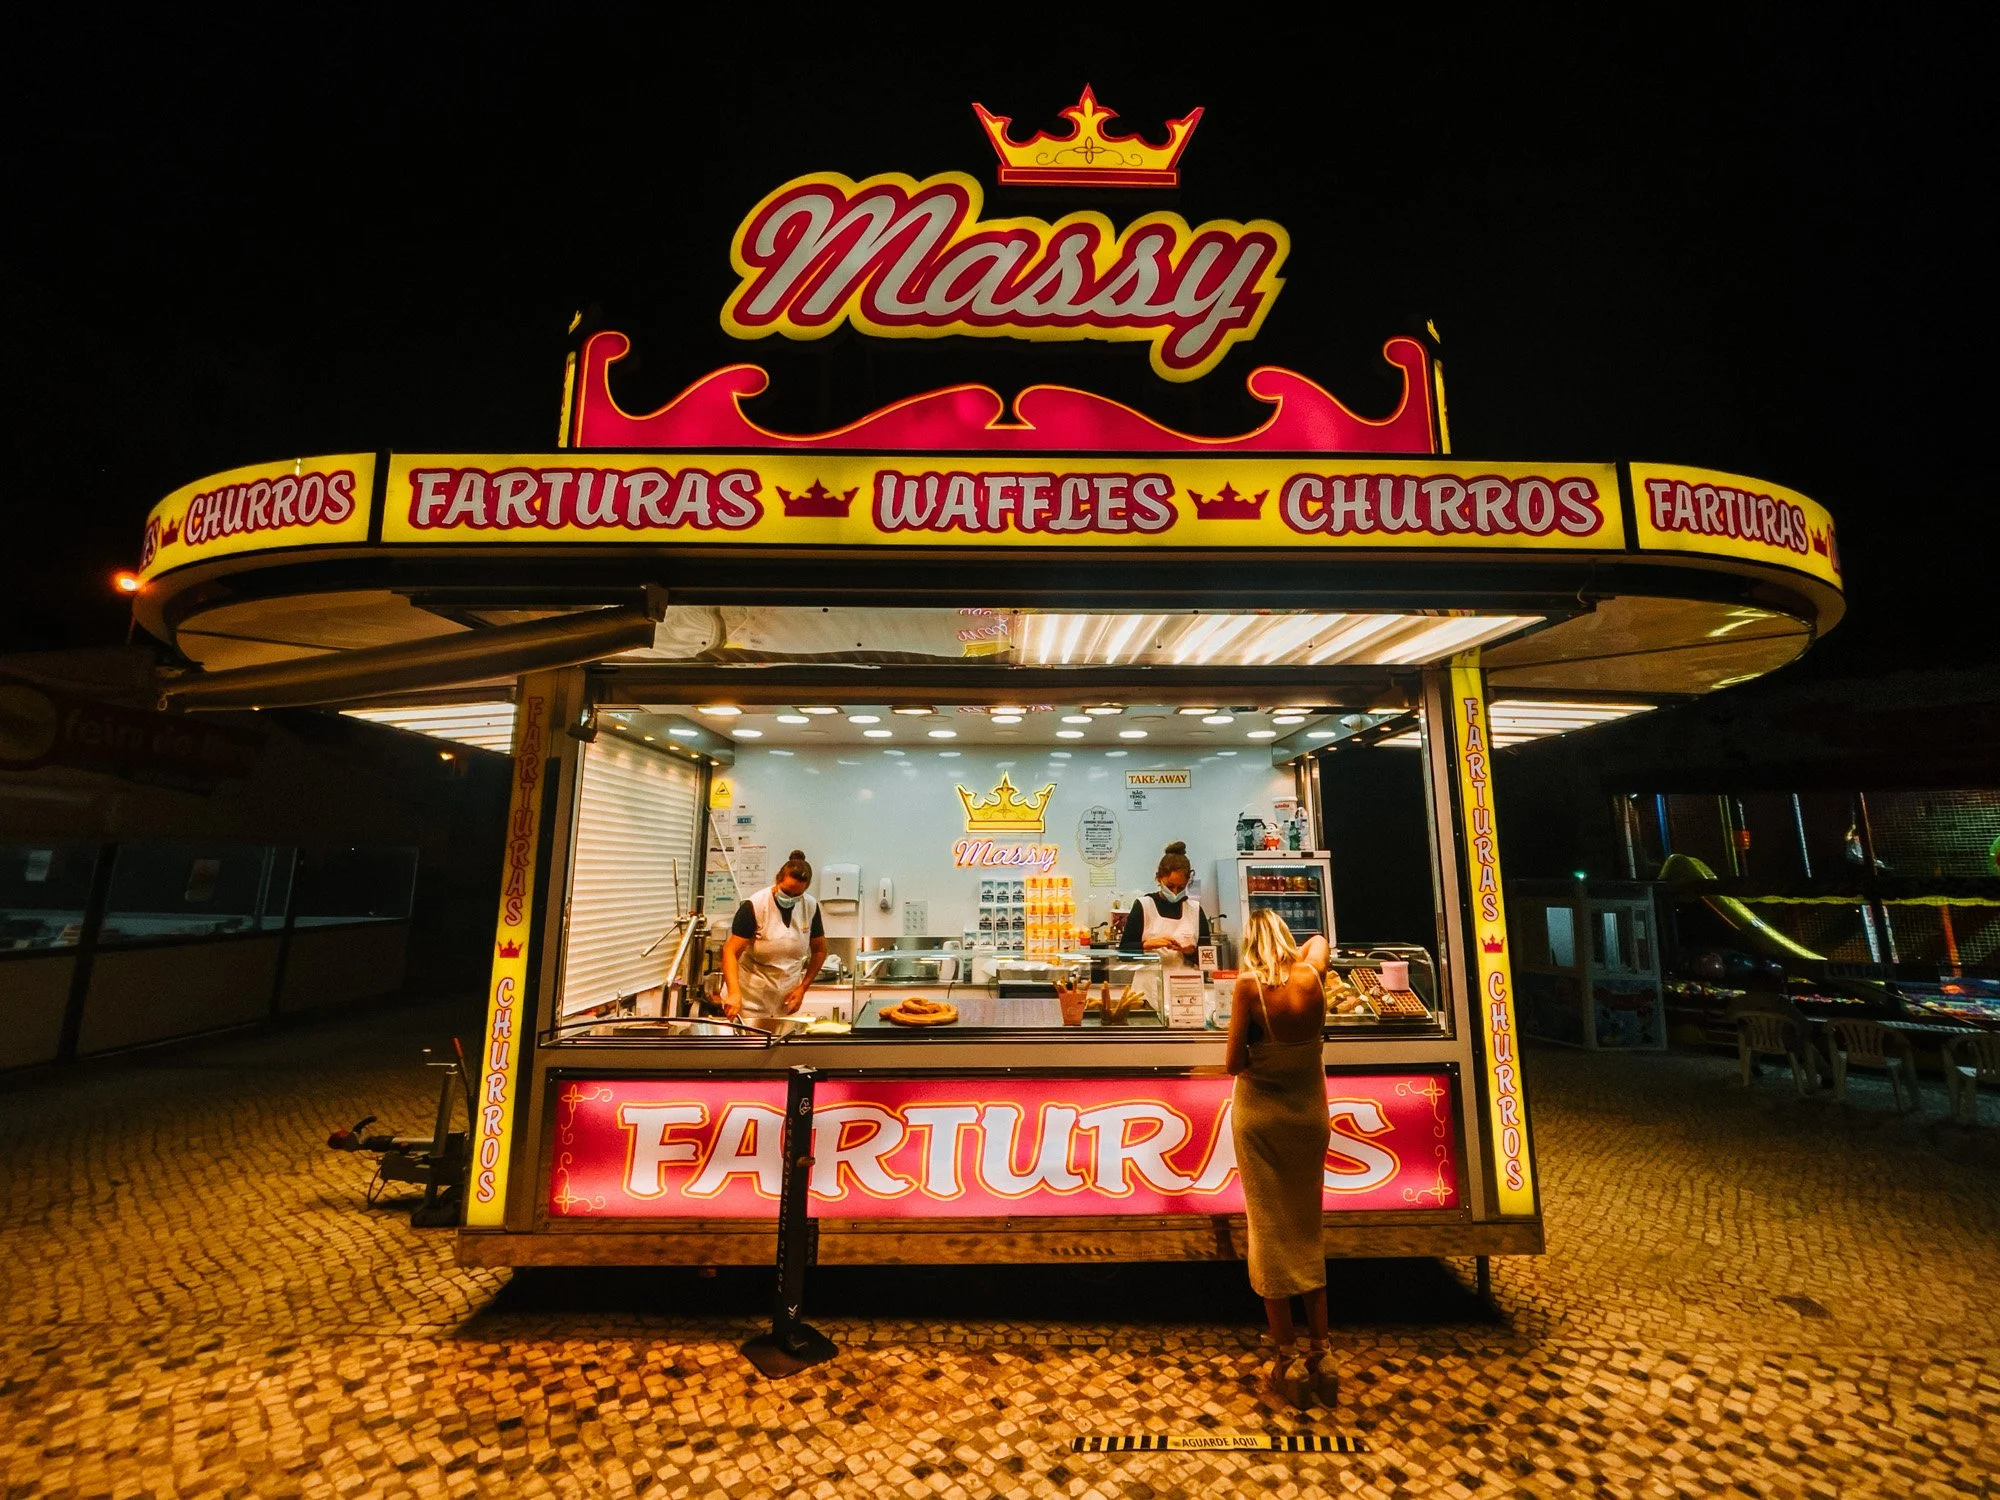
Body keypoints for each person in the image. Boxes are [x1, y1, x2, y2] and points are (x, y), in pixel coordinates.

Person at [1225, 908, 1337, 1409]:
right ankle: (1323, 1352)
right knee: (1305, 1229)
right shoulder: (1313, 975)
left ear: (1249, 943)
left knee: (1269, 1234)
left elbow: (1233, 1063)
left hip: (1262, 1124)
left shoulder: (1248, 986)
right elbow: (1320, 940)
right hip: (1310, 1119)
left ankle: (1286, 1359)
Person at [721, 850, 826, 1028]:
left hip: (785, 1002)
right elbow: (730, 951)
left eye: (796, 895)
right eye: (786, 891)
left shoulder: (810, 906)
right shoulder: (755, 906)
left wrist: (802, 988)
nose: (790, 897)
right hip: (748, 1001)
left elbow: (820, 950)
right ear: (777, 880)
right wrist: (733, 992)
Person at [1119, 841, 1211, 965]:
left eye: (1181, 887)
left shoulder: (1195, 910)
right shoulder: (1144, 906)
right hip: (1149, 981)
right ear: (1159, 878)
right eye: (1170, 886)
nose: (1174, 892)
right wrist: (1146, 945)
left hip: (1185, 981)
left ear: (1188, 881)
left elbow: (1209, 959)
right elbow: (1123, 953)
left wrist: (1191, 952)